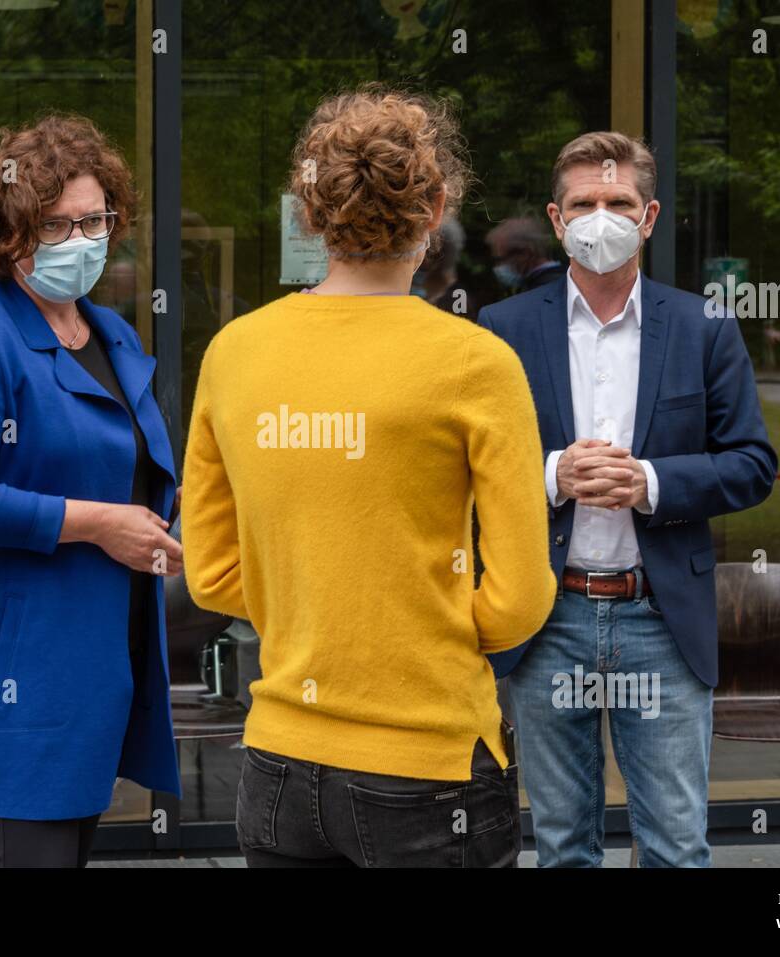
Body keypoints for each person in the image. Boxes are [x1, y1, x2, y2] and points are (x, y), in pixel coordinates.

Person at [182, 87, 556, 868]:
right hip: (428, 757)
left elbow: (212, 574)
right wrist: (421, 627)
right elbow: (520, 599)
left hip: (278, 758)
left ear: (309, 214)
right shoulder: (476, 362)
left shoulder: (235, 352)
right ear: (436, 208)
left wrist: (315, 599)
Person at [478, 131, 777, 867]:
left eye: (618, 202)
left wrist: (652, 482)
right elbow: (466, 474)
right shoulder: (502, 330)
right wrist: (552, 476)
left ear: (648, 219)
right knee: (562, 847)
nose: (600, 217)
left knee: (676, 847)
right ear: (556, 217)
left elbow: (752, 463)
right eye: (585, 203)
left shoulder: (703, 327)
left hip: (661, 619)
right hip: (549, 618)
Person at [0, 113, 182, 868]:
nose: (81, 239)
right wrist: (98, 524)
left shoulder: (110, 335)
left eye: (93, 219)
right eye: (55, 225)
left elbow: (135, 470)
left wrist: (174, 525)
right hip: (20, 669)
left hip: (102, 656)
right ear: (9, 234)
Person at [487, 216, 565, 294]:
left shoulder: (541, 291)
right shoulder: (563, 277)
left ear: (525, 253)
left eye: (502, 259)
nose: (499, 266)